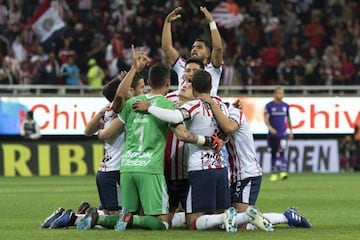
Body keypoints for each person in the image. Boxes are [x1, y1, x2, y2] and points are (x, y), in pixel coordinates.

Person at [81, 63, 220, 231]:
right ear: (168, 83)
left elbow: (115, 104)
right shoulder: (168, 105)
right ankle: (127, 219)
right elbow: (182, 134)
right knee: (161, 223)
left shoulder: (132, 102)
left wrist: (132, 70)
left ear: (148, 81)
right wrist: (210, 141)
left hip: (127, 169)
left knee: (127, 218)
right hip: (150, 169)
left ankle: (98, 219)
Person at [132, 70, 271, 233]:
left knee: (192, 221)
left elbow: (175, 117)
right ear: (211, 86)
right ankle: (244, 217)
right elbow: (225, 134)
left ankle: (233, 218)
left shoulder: (194, 105)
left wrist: (149, 108)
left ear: (195, 87)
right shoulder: (220, 106)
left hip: (200, 169)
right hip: (220, 168)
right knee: (218, 215)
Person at [199, 97, 311, 230]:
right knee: (227, 219)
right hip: (235, 175)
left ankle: (286, 216)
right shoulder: (225, 116)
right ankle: (284, 216)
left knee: (241, 224)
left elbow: (229, 128)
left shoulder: (234, 114)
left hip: (247, 173)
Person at [161, 6, 223, 96]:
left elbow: (218, 49)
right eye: (193, 47)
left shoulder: (213, 69)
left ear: (208, 53)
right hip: (183, 107)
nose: (194, 49)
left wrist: (211, 22)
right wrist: (167, 22)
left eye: (199, 47)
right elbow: (167, 48)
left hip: (205, 108)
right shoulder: (182, 66)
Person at [264, 87, 293, 181]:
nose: (281, 95)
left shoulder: (285, 106)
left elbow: (288, 119)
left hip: (283, 133)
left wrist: (291, 131)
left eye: (282, 93)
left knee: (282, 152)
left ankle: (283, 172)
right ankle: (273, 173)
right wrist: (270, 128)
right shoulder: (269, 106)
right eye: (279, 93)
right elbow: (266, 118)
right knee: (273, 153)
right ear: (275, 94)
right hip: (273, 134)